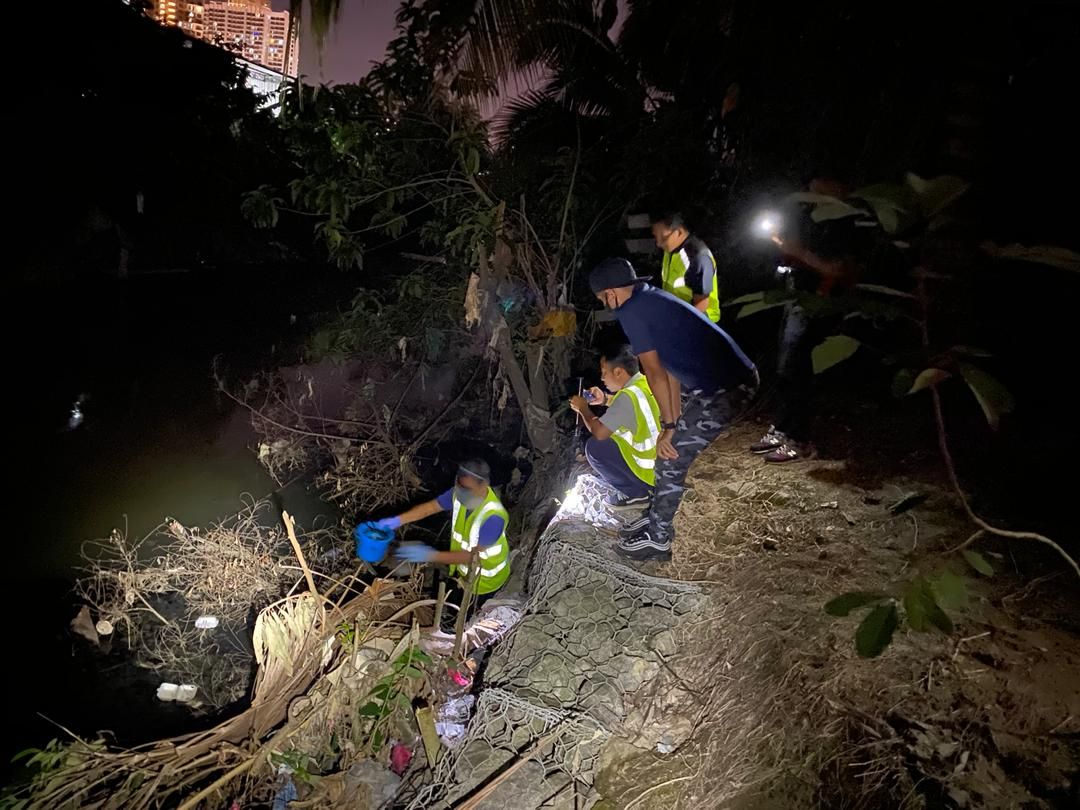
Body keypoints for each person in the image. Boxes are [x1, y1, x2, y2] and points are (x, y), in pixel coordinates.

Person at [589, 258, 758, 560]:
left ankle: (658, 539)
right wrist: (672, 421)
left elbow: (653, 372)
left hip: (727, 387)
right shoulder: (649, 297)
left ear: (611, 293)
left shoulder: (633, 311)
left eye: (603, 299)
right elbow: (669, 370)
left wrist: (669, 428)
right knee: (668, 441)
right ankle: (656, 516)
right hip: (718, 381)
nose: (607, 304)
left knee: (670, 457)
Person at [358, 459, 511, 603]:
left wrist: (430, 555)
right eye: (459, 485)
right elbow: (430, 507)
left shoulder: (493, 517)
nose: (461, 492)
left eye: (467, 488)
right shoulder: (460, 493)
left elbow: (471, 557)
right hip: (462, 572)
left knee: (468, 615)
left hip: (485, 581)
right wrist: (396, 521)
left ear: (483, 486)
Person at [568, 345, 661, 511]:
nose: (602, 378)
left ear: (618, 372)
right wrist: (604, 399)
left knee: (595, 448)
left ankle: (636, 494)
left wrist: (583, 409)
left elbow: (599, 432)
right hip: (659, 462)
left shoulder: (627, 397)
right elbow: (628, 408)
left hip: (647, 472)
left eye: (604, 372)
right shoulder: (642, 383)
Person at [650, 211, 722, 323]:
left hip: (702, 322)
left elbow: (702, 303)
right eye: (655, 237)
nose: (658, 243)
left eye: (663, 238)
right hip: (677, 315)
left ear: (678, 232)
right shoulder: (670, 250)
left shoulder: (698, 256)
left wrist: (682, 326)